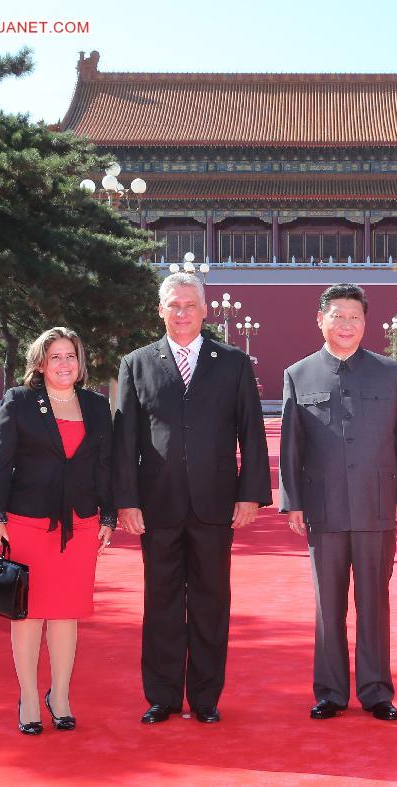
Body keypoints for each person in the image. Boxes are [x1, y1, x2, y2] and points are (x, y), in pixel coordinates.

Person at [112, 272, 271, 725]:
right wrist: (126, 499)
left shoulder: (233, 362)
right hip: (156, 505)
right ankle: (161, 696)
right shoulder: (137, 363)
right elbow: (126, 438)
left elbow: (251, 433)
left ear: (205, 310)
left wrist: (250, 495)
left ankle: (205, 697)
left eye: (189, 305)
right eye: (173, 305)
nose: (181, 313)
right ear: (159, 311)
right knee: (160, 602)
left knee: (209, 600)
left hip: (215, 503)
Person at [279, 283, 397, 722]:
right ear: (320, 319)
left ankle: (377, 690)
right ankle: (330, 691)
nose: (347, 325)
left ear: (366, 323)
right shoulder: (299, 374)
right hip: (323, 509)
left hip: (377, 504)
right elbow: (291, 447)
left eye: (355, 317)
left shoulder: (388, 372)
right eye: (338, 316)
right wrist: (294, 503)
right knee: (329, 604)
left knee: (374, 601)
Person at [0, 327, 116, 735]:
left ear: (81, 363)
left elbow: (105, 465)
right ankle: (27, 695)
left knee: (66, 614)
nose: (64, 363)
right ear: (40, 363)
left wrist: (108, 516)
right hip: (27, 522)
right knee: (27, 615)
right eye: (55, 356)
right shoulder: (20, 401)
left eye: (70, 355)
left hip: (80, 524)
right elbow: (0, 461)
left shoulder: (96, 405)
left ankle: (59, 695)